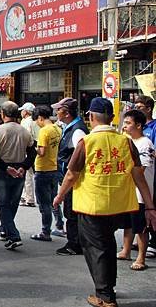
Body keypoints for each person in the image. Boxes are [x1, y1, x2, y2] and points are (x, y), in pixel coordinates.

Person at [53, 97, 156, 307]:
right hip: (118, 205)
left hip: (92, 205)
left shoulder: (87, 142)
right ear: (112, 118)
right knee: (107, 245)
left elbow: (71, 175)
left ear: (91, 116)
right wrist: (150, 206)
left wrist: (60, 195)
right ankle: (109, 286)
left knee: (95, 248)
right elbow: (139, 176)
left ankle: (105, 296)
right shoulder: (125, 142)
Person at [0, 101, 36, 249]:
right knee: (12, 202)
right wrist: (24, 167)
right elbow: (32, 152)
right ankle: (5, 229)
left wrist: (5, 167)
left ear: (2, 114)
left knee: (3, 203)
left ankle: (13, 235)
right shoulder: (24, 131)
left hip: (4, 169)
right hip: (19, 169)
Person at [117, 109, 154, 271]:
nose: (125, 126)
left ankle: (141, 257)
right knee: (129, 223)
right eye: (124, 123)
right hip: (129, 190)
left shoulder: (145, 143)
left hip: (141, 192)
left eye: (128, 123)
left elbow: (141, 170)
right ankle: (126, 250)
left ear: (138, 125)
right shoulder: (127, 141)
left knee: (141, 227)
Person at [52, 97, 88, 256]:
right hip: (69, 177)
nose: (56, 112)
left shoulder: (77, 130)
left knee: (72, 213)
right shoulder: (70, 127)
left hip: (74, 180)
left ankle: (75, 244)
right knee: (71, 211)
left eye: (58, 110)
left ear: (66, 113)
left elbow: (81, 157)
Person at [30, 105, 64, 241]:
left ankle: (46, 231)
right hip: (54, 167)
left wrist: (33, 146)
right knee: (53, 199)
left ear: (40, 118)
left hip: (42, 169)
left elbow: (42, 152)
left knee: (44, 203)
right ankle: (60, 225)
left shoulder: (44, 131)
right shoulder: (57, 129)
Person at [133, 95, 156, 258]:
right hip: (137, 176)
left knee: (150, 207)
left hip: (150, 174)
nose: (136, 108)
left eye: (140, 106)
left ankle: (153, 242)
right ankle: (138, 240)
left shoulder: (154, 128)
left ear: (148, 109)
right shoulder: (134, 129)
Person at [19, 102, 39, 207]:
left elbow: (25, 137)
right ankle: (26, 195)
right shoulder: (35, 122)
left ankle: (29, 198)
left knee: (27, 174)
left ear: (26, 112)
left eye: (22, 110)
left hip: (27, 149)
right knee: (29, 173)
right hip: (34, 149)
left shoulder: (26, 122)